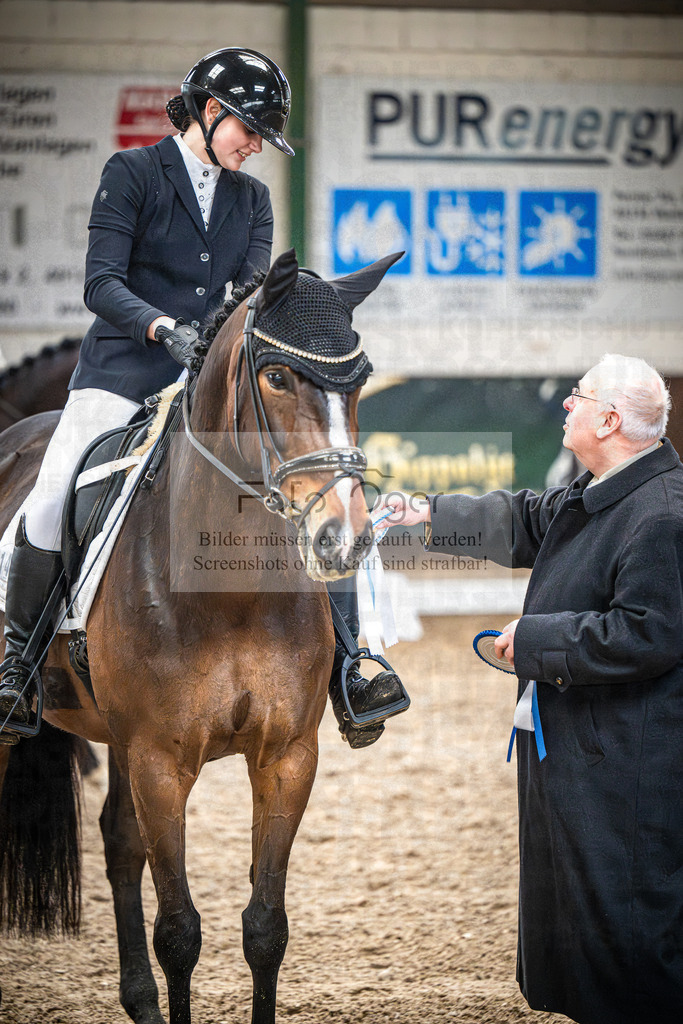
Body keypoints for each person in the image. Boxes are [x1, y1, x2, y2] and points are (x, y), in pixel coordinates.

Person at [0, 47, 404, 748]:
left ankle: (351, 663)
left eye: (262, 138)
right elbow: (101, 283)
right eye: (248, 129)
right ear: (210, 111)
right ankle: (19, 663)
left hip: (206, 385)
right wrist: (163, 329)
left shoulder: (253, 199)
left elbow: (250, 297)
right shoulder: (131, 173)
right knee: (53, 490)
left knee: (310, 494)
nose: (254, 146)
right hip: (121, 372)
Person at [375, 353, 683, 1024]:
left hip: (628, 766)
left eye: (577, 396)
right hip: (587, 752)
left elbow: (647, 634)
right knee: (584, 914)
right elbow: (523, 519)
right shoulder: (604, 490)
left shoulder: (661, 517)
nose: (565, 405)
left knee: (626, 923)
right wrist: (422, 514)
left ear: (607, 418)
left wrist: (536, 639)